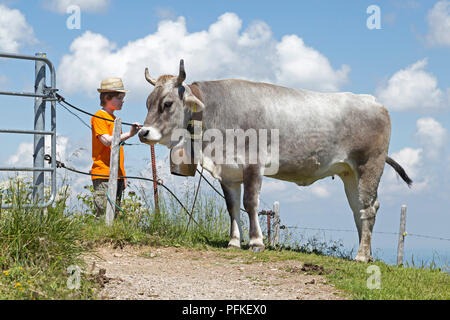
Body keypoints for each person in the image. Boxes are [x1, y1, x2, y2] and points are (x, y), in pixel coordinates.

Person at [91, 77, 141, 218]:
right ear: (107, 97)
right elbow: (107, 141)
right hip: (103, 173)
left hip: (116, 174)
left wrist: (122, 176)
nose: (122, 101)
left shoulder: (114, 119)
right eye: (119, 98)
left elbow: (117, 151)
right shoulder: (99, 117)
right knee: (103, 213)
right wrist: (130, 134)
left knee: (114, 213)